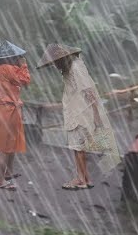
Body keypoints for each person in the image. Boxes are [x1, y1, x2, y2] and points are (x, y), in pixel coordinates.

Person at [38, 43, 121, 190]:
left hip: (81, 113)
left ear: (63, 59)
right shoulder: (70, 69)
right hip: (76, 111)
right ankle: (85, 178)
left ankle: (81, 180)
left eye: (56, 62)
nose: (56, 65)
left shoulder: (76, 68)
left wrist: (96, 113)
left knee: (78, 147)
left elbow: (89, 90)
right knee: (78, 147)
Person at [0, 41, 31, 191]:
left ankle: (8, 174)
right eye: (18, 56)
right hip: (6, 110)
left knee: (12, 144)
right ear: (11, 57)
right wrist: (24, 65)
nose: (20, 58)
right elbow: (26, 81)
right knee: (5, 148)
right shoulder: (7, 68)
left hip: (9, 110)